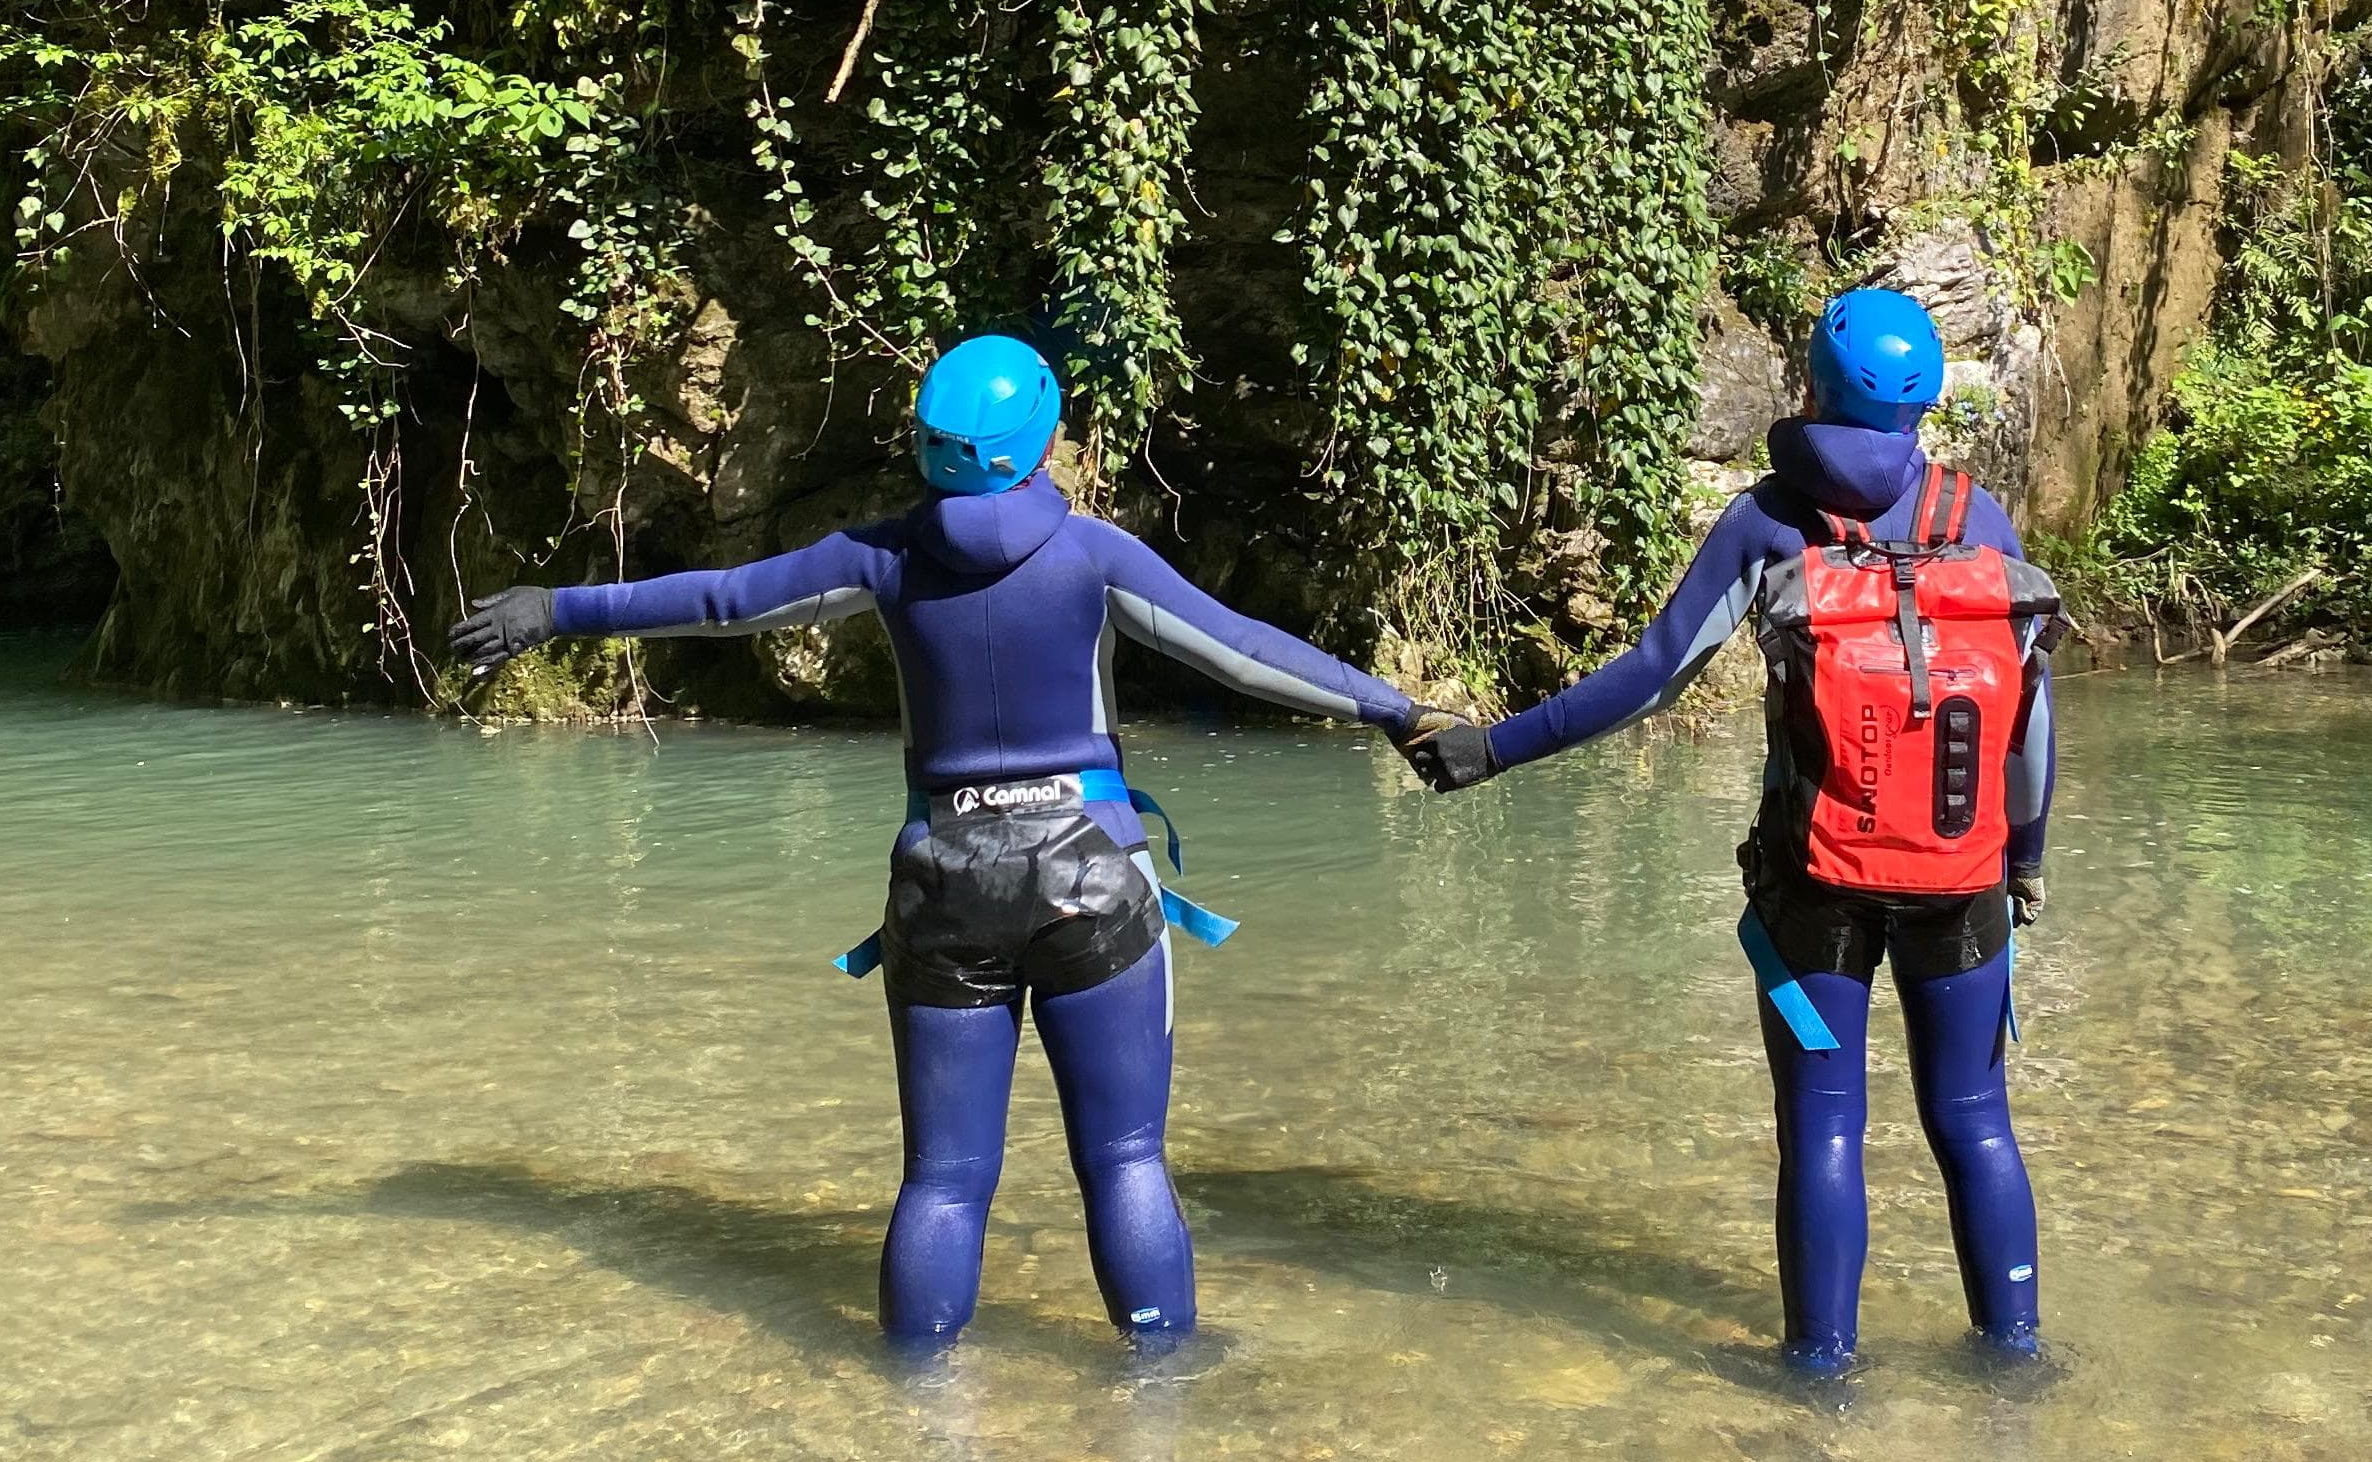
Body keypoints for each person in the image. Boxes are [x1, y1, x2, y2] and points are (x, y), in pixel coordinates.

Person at [450, 336, 1423, 1351]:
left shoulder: (879, 557)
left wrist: (554, 609)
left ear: (926, 444)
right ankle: (1159, 1399)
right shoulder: (1096, 557)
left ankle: (917, 1417)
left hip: (942, 882)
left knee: (944, 1180)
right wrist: (1397, 710)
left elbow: (720, 599)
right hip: (1092, 871)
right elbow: (1245, 651)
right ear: (1044, 443)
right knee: (1127, 1158)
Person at [1410, 285, 2059, 1375]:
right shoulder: (1976, 520)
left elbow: (1652, 679)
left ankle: (1819, 1372)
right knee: (1976, 1120)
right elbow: (2029, 721)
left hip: (1815, 892)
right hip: (1965, 887)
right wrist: (2023, 864)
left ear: (1813, 381)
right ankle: (2016, 1358)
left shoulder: (1768, 525)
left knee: (1823, 1126)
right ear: (1928, 396)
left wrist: (1499, 747)